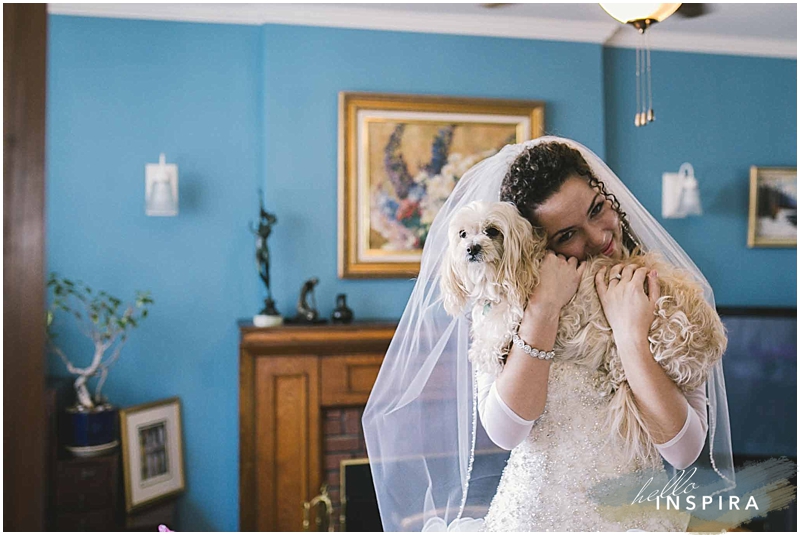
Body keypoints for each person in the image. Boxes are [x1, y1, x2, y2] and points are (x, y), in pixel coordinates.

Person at [362, 137, 735, 532]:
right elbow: (506, 432)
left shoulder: (671, 299)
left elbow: (682, 450)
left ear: (608, 196)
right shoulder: (509, 306)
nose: (597, 237)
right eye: (567, 235)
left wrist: (630, 337)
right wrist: (544, 310)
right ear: (535, 243)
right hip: (533, 519)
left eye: (597, 210)